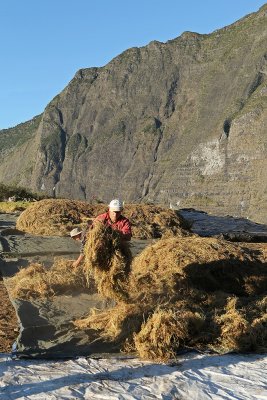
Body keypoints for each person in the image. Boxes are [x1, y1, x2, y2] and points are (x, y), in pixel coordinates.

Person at [71, 199, 132, 268]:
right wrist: (78, 261)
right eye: (113, 212)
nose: (115, 214)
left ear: (121, 211)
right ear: (109, 209)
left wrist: (114, 234)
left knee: (123, 261)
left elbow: (128, 236)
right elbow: (88, 239)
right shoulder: (101, 219)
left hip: (117, 247)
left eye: (117, 212)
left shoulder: (124, 221)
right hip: (102, 247)